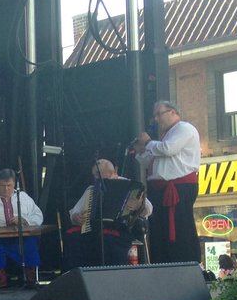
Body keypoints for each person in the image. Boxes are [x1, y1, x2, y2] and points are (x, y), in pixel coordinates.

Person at [131, 100, 202, 263]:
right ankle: (163, 262)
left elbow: (168, 149)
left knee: (179, 228)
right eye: (155, 115)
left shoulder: (184, 128)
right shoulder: (166, 136)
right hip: (161, 189)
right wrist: (141, 151)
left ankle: (185, 262)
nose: (156, 119)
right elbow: (152, 163)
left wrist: (148, 142)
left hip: (177, 187)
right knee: (160, 231)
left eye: (159, 114)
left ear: (172, 112)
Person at [64, 158, 152, 268]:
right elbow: (74, 212)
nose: (95, 178)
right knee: (72, 236)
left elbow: (149, 209)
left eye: (98, 174)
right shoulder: (92, 189)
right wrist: (76, 216)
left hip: (122, 229)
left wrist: (138, 205)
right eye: (94, 175)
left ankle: (113, 273)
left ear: (111, 172)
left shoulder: (130, 187)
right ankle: (79, 274)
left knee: (108, 240)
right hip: (95, 229)